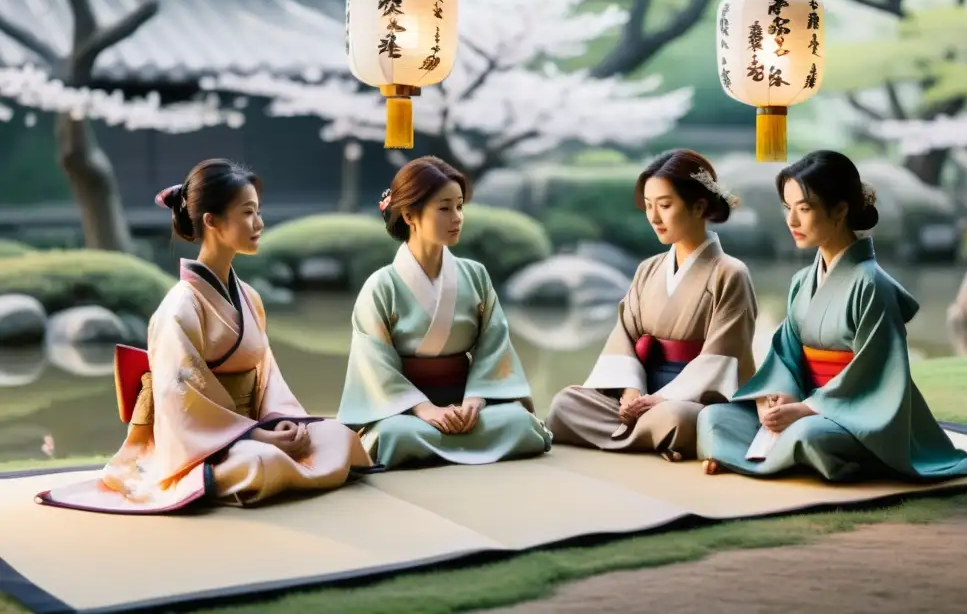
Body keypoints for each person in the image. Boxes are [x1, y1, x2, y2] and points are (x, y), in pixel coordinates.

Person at [36, 159, 374, 514]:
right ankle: (226, 472)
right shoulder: (180, 307)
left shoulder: (250, 297)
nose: (259, 224)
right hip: (207, 441)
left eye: (257, 212)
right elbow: (178, 398)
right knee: (261, 462)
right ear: (212, 221)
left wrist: (281, 422)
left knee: (338, 436)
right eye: (247, 213)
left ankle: (271, 454)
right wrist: (254, 435)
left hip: (256, 426)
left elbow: (266, 374)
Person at [697, 150, 967, 482]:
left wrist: (808, 408)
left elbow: (875, 374)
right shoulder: (802, 282)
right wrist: (780, 396)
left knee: (808, 435)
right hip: (807, 404)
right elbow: (786, 355)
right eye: (788, 208)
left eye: (805, 208)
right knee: (714, 418)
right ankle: (776, 452)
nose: (792, 221)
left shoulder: (872, 284)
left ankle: (766, 454)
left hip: (860, 413)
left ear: (840, 210)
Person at [336, 156, 552, 469]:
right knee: (394, 435)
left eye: (460, 206)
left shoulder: (474, 275)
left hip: (469, 401)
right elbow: (374, 368)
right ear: (410, 215)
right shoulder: (381, 286)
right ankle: (446, 437)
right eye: (444, 208)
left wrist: (474, 403)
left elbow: (495, 347)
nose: (457, 217)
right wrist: (427, 411)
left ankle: (453, 437)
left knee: (521, 424)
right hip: (407, 410)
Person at [545, 150, 758, 462]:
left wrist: (657, 401)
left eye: (665, 205)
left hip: (690, 400)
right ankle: (655, 438)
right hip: (641, 393)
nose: (654, 217)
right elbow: (624, 338)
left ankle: (654, 433)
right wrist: (631, 395)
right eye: (648, 206)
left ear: (699, 206)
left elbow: (721, 359)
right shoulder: (648, 269)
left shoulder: (730, 273)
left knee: (676, 419)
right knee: (565, 404)